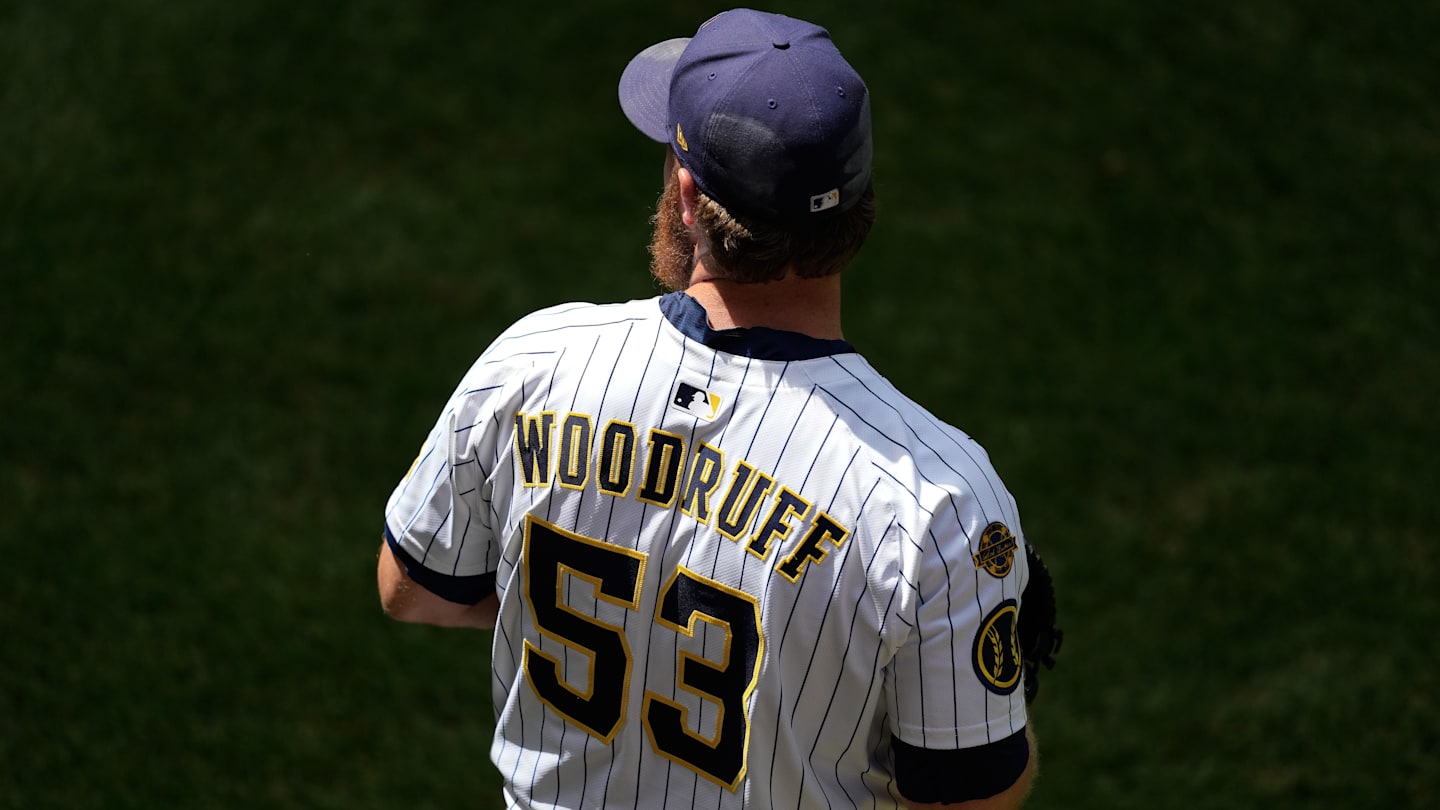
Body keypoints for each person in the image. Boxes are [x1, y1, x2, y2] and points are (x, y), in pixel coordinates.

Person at [378, 9, 1037, 808]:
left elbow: (410, 587)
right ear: (860, 203)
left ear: (687, 197)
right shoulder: (936, 507)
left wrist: (620, 619)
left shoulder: (533, 367)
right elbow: (968, 796)